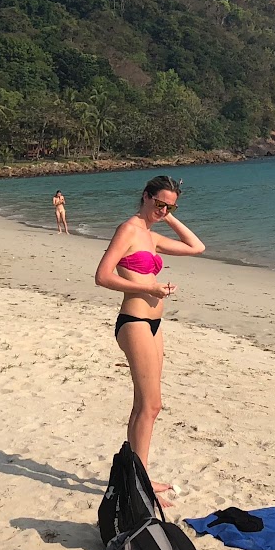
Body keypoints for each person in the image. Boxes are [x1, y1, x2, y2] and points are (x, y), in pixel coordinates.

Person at [93, 175, 204, 495]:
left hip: (154, 325)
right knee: (151, 405)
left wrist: (168, 217)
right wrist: (149, 287)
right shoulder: (128, 230)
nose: (163, 210)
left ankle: (134, 476)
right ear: (145, 196)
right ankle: (138, 483)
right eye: (159, 204)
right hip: (134, 321)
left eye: (169, 206)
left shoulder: (151, 235)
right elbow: (102, 276)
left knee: (145, 405)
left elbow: (197, 247)